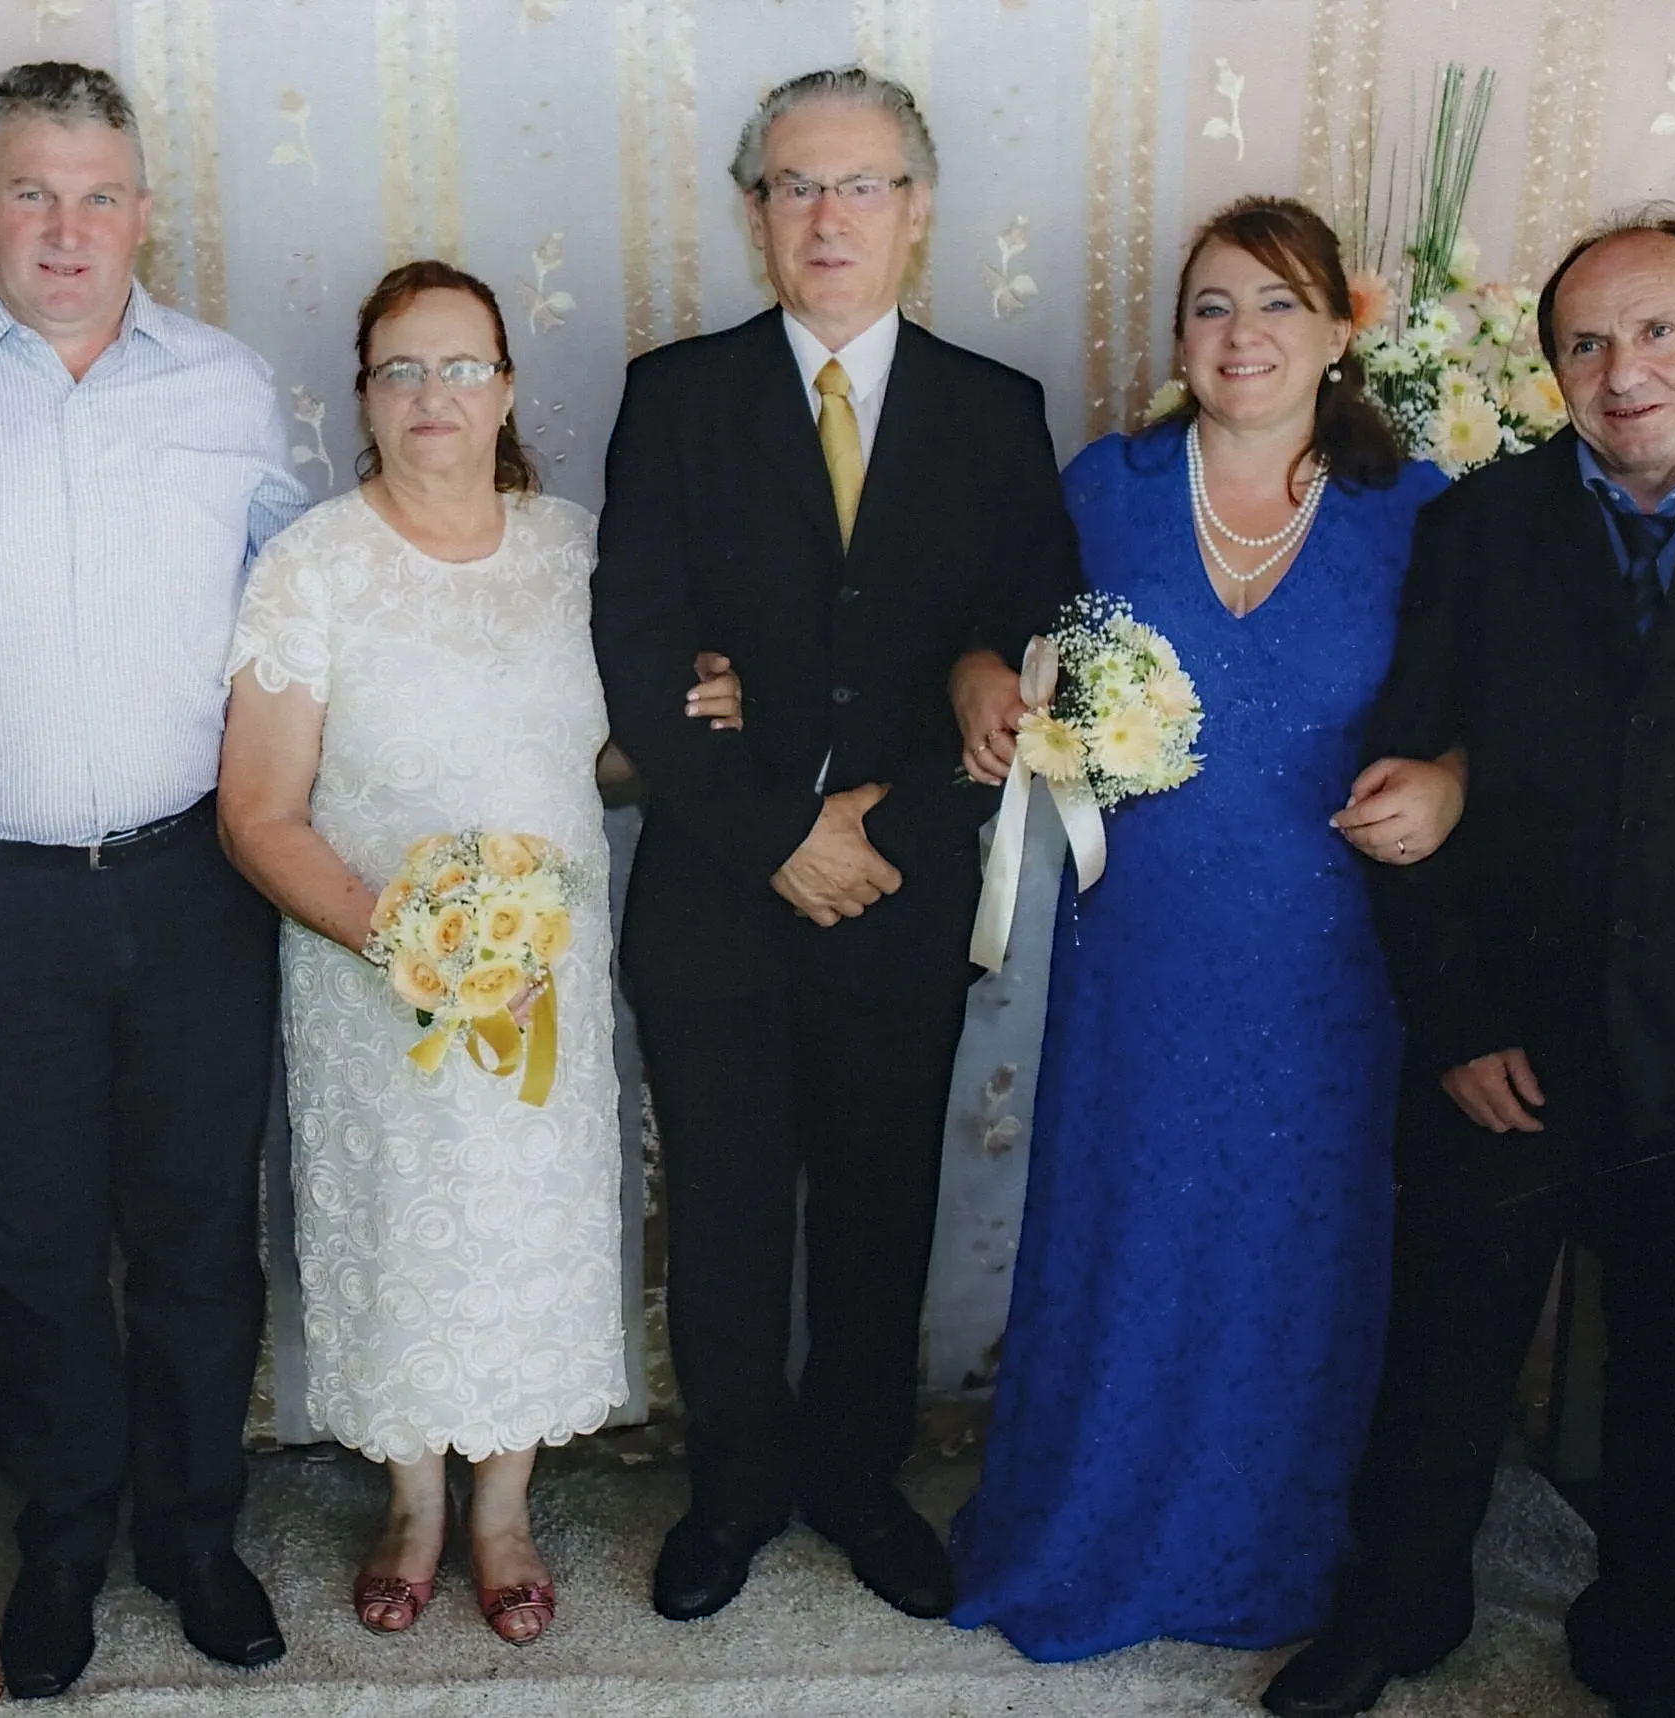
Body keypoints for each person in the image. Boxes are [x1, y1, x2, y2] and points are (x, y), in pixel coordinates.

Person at [1261, 214, 1675, 1718]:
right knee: (1439, 1356)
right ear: (1553, 363)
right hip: (1509, 1044)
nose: (1623, 372)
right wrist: (1454, 1022)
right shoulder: (1477, 528)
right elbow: (1399, 788)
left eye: (1659, 332)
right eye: (1587, 343)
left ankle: (1642, 1635)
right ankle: (1397, 1607)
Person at [0, 63, 305, 1694]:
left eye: (100, 196)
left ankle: (197, 1532)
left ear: (145, 214)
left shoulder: (232, 389)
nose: (67, 229)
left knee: (197, 1238)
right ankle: (68, 1538)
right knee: (30, 1242)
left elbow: (313, 622)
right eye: (32, 191)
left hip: (194, 882)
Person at [590, 66, 1081, 1624]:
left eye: (861, 185)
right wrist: (770, 837)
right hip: (720, 895)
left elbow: (1030, 643)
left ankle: (861, 1476)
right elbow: (639, 642)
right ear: (753, 213)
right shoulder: (672, 395)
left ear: (917, 212)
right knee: (727, 1213)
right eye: (794, 187)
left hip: (904, 879)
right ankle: (732, 1486)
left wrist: (892, 819)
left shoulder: (997, 409)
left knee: (879, 1205)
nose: (827, 216)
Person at [944, 196, 1461, 1662]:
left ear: (1339, 333)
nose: (1245, 336)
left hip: (1331, 961)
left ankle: (1271, 1545)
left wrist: (1452, 777)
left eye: (1280, 304)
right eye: (1215, 306)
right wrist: (986, 679)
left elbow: (1488, 712)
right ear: (1179, 336)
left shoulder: (1413, 512)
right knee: (1135, 1233)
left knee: (1295, 1249)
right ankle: (1090, 1529)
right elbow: (984, 629)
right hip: (1147, 953)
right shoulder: (1106, 486)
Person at [218, 262, 733, 1645]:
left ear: (505, 387)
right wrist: (413, 938)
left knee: (528, 1224)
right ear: (364, 397)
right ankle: (412, 1504)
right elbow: (256, 811)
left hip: (545, 975)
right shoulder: (312, 563)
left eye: (461, 367)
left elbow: (604, 762)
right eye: (402, 370)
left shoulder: (576, 549)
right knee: (396, 1228)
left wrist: (692, 717)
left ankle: (503, 1507)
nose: (433, 395)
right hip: (367, 972)